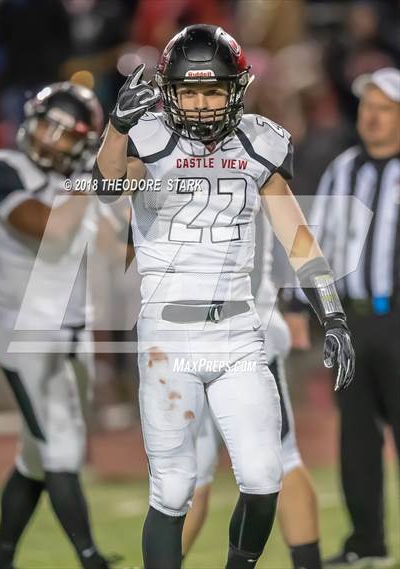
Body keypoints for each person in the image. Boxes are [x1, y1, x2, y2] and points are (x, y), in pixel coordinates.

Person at [94, 24, 355, 569]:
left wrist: (331, 314)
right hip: (168, 336)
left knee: (263, 480)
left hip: (239, 333)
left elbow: (298, 237)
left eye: (212, 90)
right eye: (189, 91)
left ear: (236, 88)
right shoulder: (148, 135)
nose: (201, 104)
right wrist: (116, 129)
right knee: (172, 489)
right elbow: (108, 185)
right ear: (169, 91)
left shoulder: (261, 139)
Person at [0, 82, 120, 569]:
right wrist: (89, 183)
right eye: (47, 125)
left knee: (39, 457)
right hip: (24, 337)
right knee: (59, 447)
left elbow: (116, 252)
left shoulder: (80, 180)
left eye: (66, 133)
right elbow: (50, 231)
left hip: (74, 336)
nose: (49, 139)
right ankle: (90, 558)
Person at [296, 67, 399, 569]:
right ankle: (367, 542)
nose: (373, 118)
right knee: (356, 439)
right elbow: (314, 241)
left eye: (385, 108)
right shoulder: (342, 169)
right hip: (350, 323)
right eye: (368, 107)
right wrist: (300, 305)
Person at [182, 214, 322, 569]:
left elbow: (292, 233)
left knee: (278, 459)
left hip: (239, 331)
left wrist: (293, 305)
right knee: (186, 475)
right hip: (196, 332)